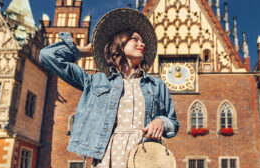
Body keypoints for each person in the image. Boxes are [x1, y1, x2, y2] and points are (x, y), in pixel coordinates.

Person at [39, 9, 179, 167]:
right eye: (135, 39)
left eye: (142, 41)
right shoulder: (97, 81)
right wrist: (85, 51)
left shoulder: (156, 85)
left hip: (145, 157)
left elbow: (173, 122)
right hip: (108, 155)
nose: (142, 44)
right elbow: (47, 56)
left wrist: (161, 121)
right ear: (119, 43)